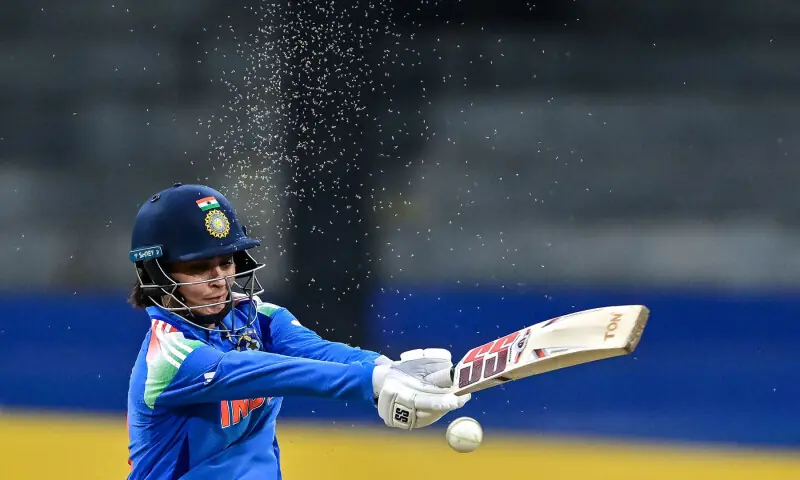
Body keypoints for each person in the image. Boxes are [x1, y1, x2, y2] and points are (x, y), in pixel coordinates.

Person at [125, 183, 470, 479]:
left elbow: (322, 353)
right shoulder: (167, 357)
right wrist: (374, 382)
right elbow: (275, 372)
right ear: (156, 273)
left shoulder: (257, 317)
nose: (220, 280)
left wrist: (389, 367)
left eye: (226, 262)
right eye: (199, 267)